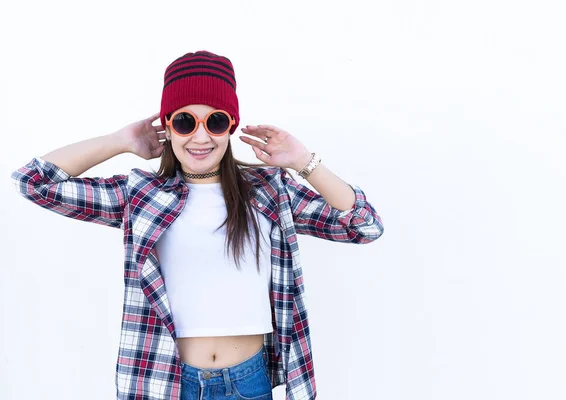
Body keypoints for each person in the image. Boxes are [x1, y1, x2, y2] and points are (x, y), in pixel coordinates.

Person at [11, 50, 384, 400]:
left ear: (231, 126)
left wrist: (304, 161)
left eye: (216, 121)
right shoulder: (140, 194)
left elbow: (364, 225)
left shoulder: (270, 191)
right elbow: (33, 182)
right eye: (185, 122)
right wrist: (119, 141)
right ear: (168, 127)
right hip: (168, 382)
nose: (201, 136)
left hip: (248, 382)